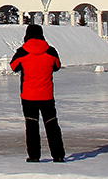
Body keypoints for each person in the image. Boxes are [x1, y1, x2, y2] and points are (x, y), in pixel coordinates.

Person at [10, 24, 66, 163]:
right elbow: (57, 66)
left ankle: (34, 156)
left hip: (28, 96)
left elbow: (13, 67)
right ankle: (58, 155)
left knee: (32, 126)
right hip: (46, 95)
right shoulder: (51, 51)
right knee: (52, 125)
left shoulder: (22, 52)